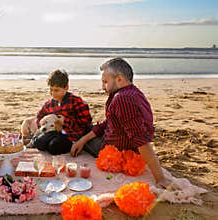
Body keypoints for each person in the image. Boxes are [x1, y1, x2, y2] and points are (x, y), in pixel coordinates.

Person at [70, 58, 169, 188]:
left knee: (76, 130)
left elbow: (141, 140)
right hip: (114, 135)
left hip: (116, 150)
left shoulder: (123, 99)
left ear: (120, 79)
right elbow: (108, 122)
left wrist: (160, 178)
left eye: (105, 82)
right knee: (85, 132)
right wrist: (83, 140)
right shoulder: (133, 92)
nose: (102, 87)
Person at [24, 69, 92, 155]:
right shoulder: (50, 104)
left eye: (56, 90)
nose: (52, 93)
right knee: (38, 143)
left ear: (66, 88)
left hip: (71, 136)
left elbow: (86, 123)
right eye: (51, 90)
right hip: (54, 133)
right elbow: (39, 116)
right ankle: (37, 140)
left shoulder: (76, 102)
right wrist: (42, 122)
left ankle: (58, 145)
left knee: (54, 147)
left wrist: (65, 121)